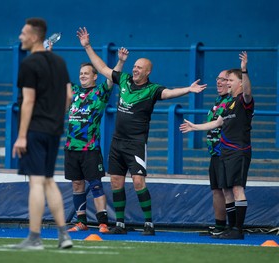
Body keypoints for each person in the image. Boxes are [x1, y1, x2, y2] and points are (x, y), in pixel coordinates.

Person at [77, 27, 207, 235]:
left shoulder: (153, 89)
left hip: (136, 143)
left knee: (138, 182)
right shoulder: (125, 80)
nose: (135, 69)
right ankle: (120, 224)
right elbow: (101, 68)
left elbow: (170, 93)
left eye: (139, 68)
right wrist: (87, 46)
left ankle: (149, 223)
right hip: (117, 142)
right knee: (115, 181)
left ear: (148, 72)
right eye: (135, 66)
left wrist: (188, 89)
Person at [12, 17, 73, 250]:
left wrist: (21, 135)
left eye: (23, 32)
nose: (20, 36)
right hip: (54, 129)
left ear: (35, 36)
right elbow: (68, 96)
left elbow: (28, 101)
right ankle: (64, 236)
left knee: (36, 182)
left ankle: (35, 238)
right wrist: (57, 118)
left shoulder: (28, 64)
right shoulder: (60, 62)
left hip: (35, 129)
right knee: (48, 181)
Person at [180, 51, 253, 239]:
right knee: (227, 190)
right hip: (226, 152)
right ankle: (230, 228)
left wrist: (244, 70)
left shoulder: (244, 101)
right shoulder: (228, 105)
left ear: (239, 82)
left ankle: (238, 229)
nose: (227, 83)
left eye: (231, 80)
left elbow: (247, 92)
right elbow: (217, 123)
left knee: (237, 189)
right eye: (225, 80)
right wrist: (194, 127)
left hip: (239, 150)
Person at [65, 48, 129, 233]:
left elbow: (112, 77)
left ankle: (102, 223)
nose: (83, 76)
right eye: (81, 73)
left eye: (86, 73)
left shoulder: (100, 92)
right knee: (77, 184)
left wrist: (121, 62)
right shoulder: (74, 90)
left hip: (90, 149)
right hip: (71, 148)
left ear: (95, 77)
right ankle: (81, 221)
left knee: (95, 185)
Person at [204, 70, 233, 236]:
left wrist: (195, 127)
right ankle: (219, 226)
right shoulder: (218, 101)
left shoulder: (232, 101)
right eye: (217, 79)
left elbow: (217, 124)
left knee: (226, 189)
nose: (219, 83)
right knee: (216, 189)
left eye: (223, 80)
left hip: (226, 152)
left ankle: (233, 226)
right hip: (214, 153)